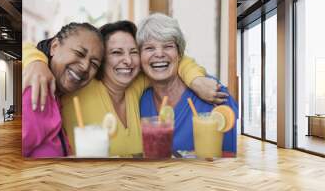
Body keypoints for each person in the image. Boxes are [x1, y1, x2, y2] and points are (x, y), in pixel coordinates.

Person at [23, 20, 226, 157]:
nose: (127, 61)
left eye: (133, 52)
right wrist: (35, 60)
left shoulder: (136, 84)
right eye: (117, 52)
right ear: (103, 60)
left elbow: (175, 61)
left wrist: (197, 80)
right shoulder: (79, 84)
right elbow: (34, 48)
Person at [138, 13, 238, 156]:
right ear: (140, 57)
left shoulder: (214, 95)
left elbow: (234, 157)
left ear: (179, 54)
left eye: (168, 46)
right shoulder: (139, 100)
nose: (159, 53)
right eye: (149, 48)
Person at [22, 22, 104, 158]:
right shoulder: (36, 91)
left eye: (94, 64)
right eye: (79, 53)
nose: (85, 66)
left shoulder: (55, 95)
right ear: (54, 47)